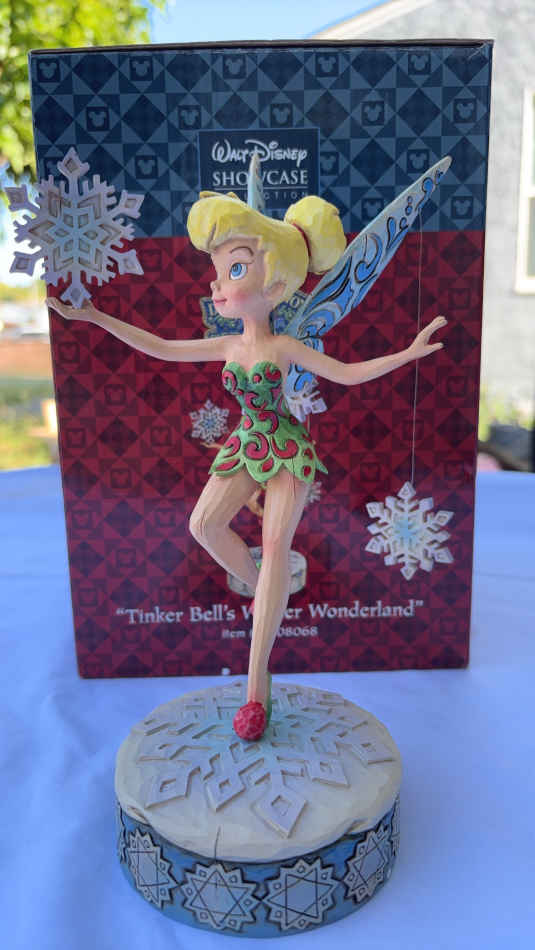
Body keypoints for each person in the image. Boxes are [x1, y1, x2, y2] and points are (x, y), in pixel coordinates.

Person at [47, 190, 447, 741]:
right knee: (203, 524)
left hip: (286, 447)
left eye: (234, 269)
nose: (217, 285)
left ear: (275, 285)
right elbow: (160, 347)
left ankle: (256, 689)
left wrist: (407, 353)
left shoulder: (283, 347)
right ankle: (268, 591)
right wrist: (94, 316)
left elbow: (347, 373)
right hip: (246, 443)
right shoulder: (227, 347)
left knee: (276, 542)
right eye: (217, 271)